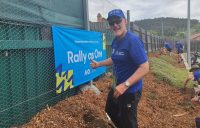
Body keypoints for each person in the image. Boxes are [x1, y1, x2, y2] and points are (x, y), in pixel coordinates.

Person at [90, 9, 149, 128]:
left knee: (128, 122)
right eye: (112, 23)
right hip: (117, 87)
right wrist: (99, 64)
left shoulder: (133, 40)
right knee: (110, 111)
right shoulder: (116, 41)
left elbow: (144, 67)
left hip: (130, 91)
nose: (115, 25)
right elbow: (114, 58)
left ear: (125, 21)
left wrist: (125, 85)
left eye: (118, 21)